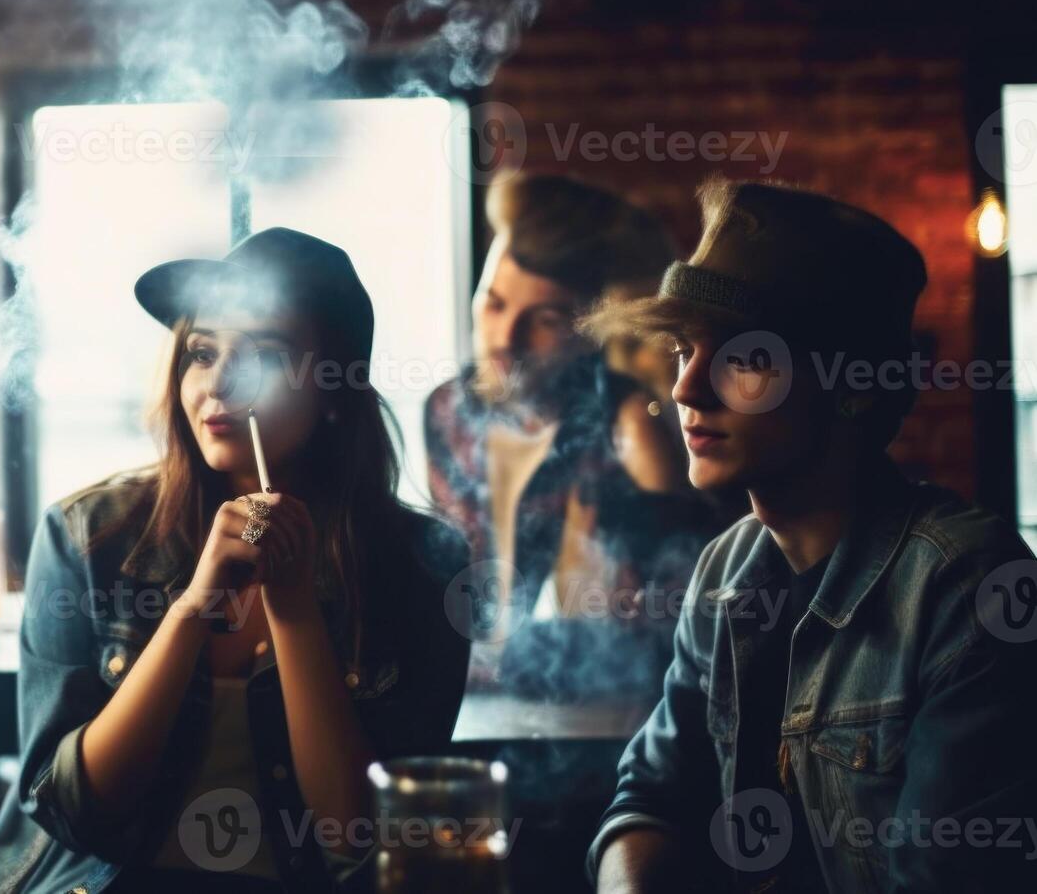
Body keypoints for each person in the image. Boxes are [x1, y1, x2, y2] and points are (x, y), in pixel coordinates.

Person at [0, 227, 471, 893]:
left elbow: (362, 845)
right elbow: (74, 811)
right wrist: (189, 611)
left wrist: (294, 614)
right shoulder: (85, 537)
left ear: (332, 387)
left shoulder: (427, 566)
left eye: (264, 355)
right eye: (201, 352)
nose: (218, 383)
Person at [586, 179, 1037, 891]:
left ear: (848, 384)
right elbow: (649, 799)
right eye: (681, 348)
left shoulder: (966, 585)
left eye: (742, 358)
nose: (684, 388)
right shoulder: (726, 569)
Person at [424, 174, 712, 697]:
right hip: (470, 700)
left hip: (591, 713)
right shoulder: (447, 412)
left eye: (545, 320)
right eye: (493, 303)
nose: (503, 339)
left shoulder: (630, 430)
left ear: (590, 333)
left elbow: (681, 637)